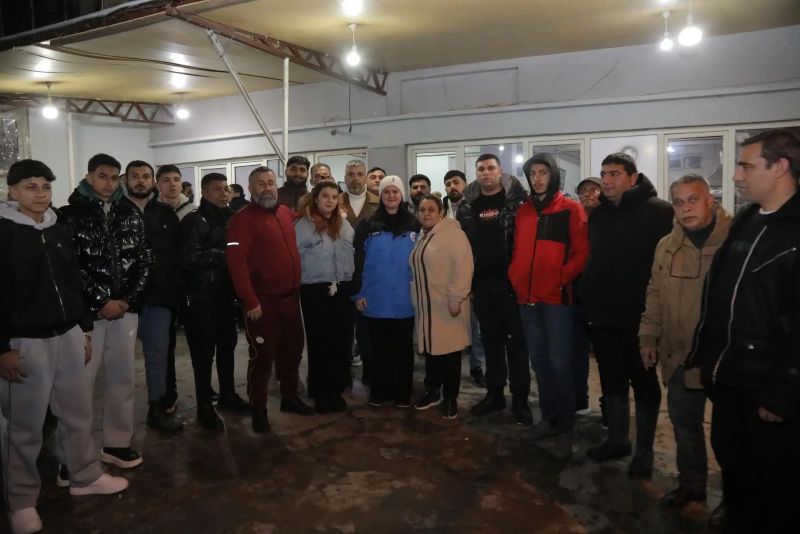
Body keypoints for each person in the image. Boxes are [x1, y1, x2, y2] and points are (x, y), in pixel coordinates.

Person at [1, 160, 128, 534]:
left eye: (45, 186)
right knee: (24, 428)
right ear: (12, 191)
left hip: (69, 334)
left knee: (78, 413)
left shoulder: (57, 228)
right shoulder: (5, 232)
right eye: (31, 187)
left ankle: (84, 476)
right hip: (25, 342)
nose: (40, 194)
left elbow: (72, 281)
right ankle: (21, 501)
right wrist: (2, 348)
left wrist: (84, 328)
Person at [686, 129, 800, 533]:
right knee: (734, 465)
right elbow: (722, 296)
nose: (736, 176)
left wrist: (783, 391)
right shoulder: (749, 219)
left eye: (746, 166)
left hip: (767, 387)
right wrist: (705, 353)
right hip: (730, 377)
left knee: (772, 481)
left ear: (780, 167)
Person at [638, 174, 732, 511]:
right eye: (678, 202)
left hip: (725, 359)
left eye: (693, 200)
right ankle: (692, 487)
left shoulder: (734, 243)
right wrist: (648, 336)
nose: (685, 208)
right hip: (679, 355)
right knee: (685, 427)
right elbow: (654, 292)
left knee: (729, 437)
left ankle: (734, 500)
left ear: (710, 201)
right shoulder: (666, 245)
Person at [57, 153, 153, 470]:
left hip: (125, 311)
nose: (109, 183)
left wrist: (127, 300)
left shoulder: (130, 213)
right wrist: (101, 301)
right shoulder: (69, 215)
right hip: (88, 315)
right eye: (102, 176)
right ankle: (72, 458)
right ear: (89, 177)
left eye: (114, 177)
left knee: (122, 380)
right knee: (78, 386)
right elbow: (70, 267)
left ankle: (116, 444)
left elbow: (144, 260)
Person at [580, 152, 673, 478]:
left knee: (644, 382)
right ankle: (617, 439)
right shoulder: (599, 215)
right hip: (603, 317)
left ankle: (645, 450)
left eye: (615, 174)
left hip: (640, 318)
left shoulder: (660, 212)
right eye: (604, 173)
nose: (607, 180)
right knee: (611, 379)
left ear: (633, 178)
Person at [509, 153, 589, 458]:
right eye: (533, 173)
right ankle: (549, 419)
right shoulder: (524, 212)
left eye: (543, 172)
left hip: (557, 301)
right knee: (540, 363)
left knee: (559, 365)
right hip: (526, 299)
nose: (538, 178)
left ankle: (566, 428)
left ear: (553, 175)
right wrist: (515, 276)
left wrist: (560, 278)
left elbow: (582, 253)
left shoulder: (571, 209)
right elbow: (518, 249)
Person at [227, 167, 314, 433]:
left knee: (292, 352)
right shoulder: (241, 220)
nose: (267, 188)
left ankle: (289, 397)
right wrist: (249, 300)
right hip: (262, 304)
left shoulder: (285, 213)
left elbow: (308, 217)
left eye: (271, 183)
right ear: (250, 189)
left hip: (290, 299)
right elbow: (236, 264)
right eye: (261, 184)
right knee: (262, 358)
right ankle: (259, 409)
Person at [456, 154, 532, 425]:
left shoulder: (519, 202)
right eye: (481, 169)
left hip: (512, 285)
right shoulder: (467, 206)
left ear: (500, 171)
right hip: (482, 285)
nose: (486, 173)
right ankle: (495, 393)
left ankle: (520, 399)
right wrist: (469, 283)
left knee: (517, 346)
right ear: (476, 173)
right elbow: (463, 247)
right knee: (491, 343)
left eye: (491, 168)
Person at [179, 172, 249, 432]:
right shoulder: (195, 220)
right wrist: (224, 255)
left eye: (226, 188)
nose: (223, 193)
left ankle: (228, 395)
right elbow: (187, 258)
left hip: (226, 295)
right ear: (205, 192)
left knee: (228, 347)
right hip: (202, 298)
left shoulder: (233, 218)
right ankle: (204, 406)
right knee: (203, 354)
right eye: (217, 189)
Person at [122, 161, 184, 432]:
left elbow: (175, 257)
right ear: (126, 180)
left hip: (158, 299)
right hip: (122, 302)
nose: (140, 181)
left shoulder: (165, 214)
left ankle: (156, 408)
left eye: (145, 176)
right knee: (120, 362)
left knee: (157, 355)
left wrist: (173, 294)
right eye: (135, 176)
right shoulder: (115, 212)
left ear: (153, 182)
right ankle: (119, 421)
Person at [352, 175, 421, 407]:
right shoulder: (367, 225)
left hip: (405, 298)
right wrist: (359, 294)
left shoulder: (415, 224)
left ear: (402, 195)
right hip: (376, 299)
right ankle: (379, 392)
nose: (391, 196)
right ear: (380, 196)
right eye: (386, 192)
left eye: (395, 191)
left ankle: (402, 393)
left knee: (403, 349)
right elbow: (358, 262)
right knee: (378, 349)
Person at [410, 194, 474, 419]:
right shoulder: (423, 235)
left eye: (431, 210)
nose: (426, 213)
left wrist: (456, 296)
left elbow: (464, 266)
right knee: (432, 351)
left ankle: (450, 397)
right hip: (427, 306)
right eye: (422, 210)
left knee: (450, 353)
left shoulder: (453, 234)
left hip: (447, 304)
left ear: (441, 213)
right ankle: (432, 390)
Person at [295, 182, 355, 413]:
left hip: (342, 288)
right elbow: (294, 257)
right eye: (325, 196)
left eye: (334, 196)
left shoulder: (344, 224)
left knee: (340, 340)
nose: (330, 200)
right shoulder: (303, 226)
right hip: (315, 290)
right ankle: (319, 391)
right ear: (315, 199)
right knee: (319, 342)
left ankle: (335, 389)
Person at [154, 164, 194, 414]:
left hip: (191, 287)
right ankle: (167, 393)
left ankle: (205, 392)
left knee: (198, 344)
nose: (172, 184)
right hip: (163, 289)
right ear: (158, 184)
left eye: (176, 179)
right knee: (164, 347)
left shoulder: (193, 212)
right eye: (166, 180)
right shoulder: (151, 212)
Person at [443, 169, 486, 386]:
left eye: (456, 182)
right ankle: (448, 369)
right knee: (450, 324)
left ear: (466, 184)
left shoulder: (476, 207)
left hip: (473, 274)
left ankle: (477, 366)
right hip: (445, 277)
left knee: (476, 326)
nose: (452, 187)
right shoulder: (439, 209)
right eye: (448, 183)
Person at [340, 159, 380, 374]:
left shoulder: (379, 202)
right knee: (343, 325)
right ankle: (342, 369)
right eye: (350, 174)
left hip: (371, 272)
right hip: (341, 271)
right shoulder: (333, 201)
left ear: (365, 177)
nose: (355, 178)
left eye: (359, 174)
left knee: (369, 325)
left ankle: (371, 369)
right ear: (344, 177)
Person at [573, 176, 602, 418]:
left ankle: (609, 410)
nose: (588, 194)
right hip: (576, 296)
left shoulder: (610, 220)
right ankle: (579, 401)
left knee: (606, 357)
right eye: (583, 190)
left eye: (594, 189)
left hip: (603, 299)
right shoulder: (574, 221)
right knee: (577, 353)